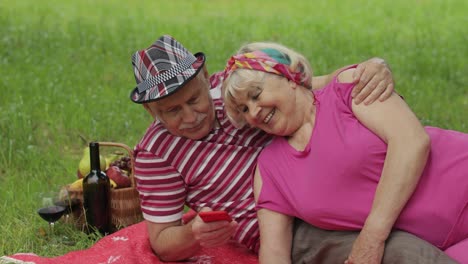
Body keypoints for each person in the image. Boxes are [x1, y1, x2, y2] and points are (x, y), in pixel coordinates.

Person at [129, 35, 456, 263]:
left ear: (203, 78)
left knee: (407, 212)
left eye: (193, 100)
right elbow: (162, 243)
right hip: (291, 228)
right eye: (172, 111)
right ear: (151, 112)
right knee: (397, 250)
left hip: (334, 185)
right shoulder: (154, 154)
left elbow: (294, 83)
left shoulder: (231, 88)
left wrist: (371, 67)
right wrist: (194, 233)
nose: (190, 116)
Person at [222, 42, 467, 263]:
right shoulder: (269, 169)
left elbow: (411, 142)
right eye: (243, 109)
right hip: (444, 247)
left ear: (287, 77)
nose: (253, 112)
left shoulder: (345, 89)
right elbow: (275, 253)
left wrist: (371, 238)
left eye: (256, 95)